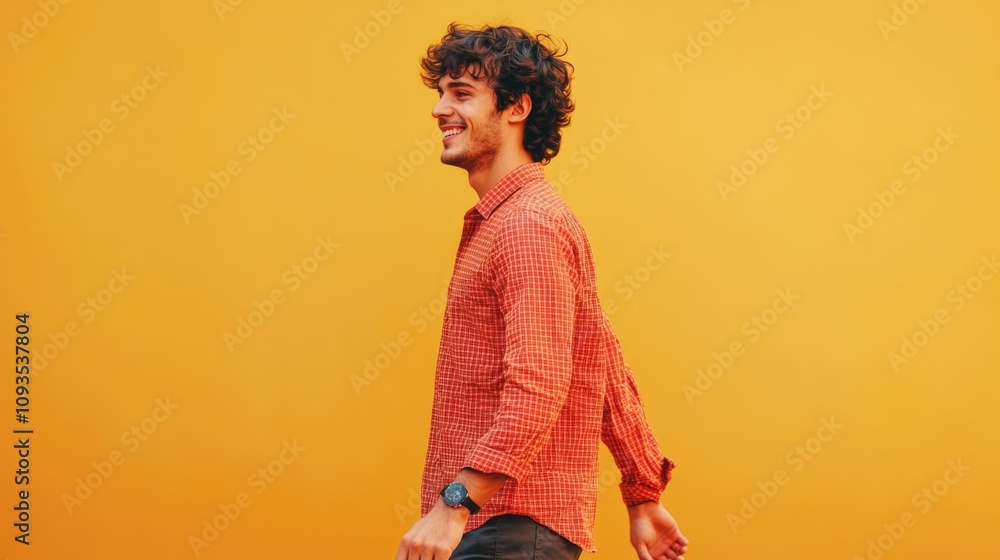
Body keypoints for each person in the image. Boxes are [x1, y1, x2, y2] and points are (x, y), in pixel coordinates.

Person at [396, 22, 689, 560]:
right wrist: (642, 491)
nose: (439, 109)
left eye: (461, 94)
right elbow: (596, 360)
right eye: (440, 94)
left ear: (517, 108)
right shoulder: (518, 221)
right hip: (504, 528)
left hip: (506, 525)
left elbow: (539, 387)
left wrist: (455, 504)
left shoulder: (528, 226)